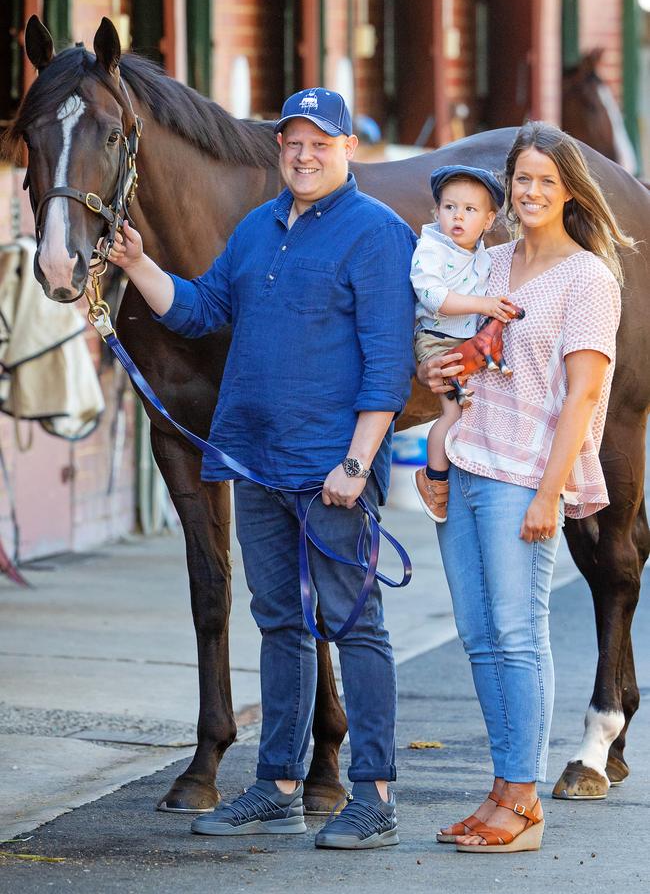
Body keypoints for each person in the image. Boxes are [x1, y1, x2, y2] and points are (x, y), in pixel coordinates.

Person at [107, 87, 416, 850]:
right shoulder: (257, 229)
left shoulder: (377, 233)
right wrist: (142, 267)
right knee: (279, 621)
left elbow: (389, 361)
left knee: (354, 624)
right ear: (279, 148)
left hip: (330, 467)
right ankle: (279, 783)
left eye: (319, 143)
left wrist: (358, 459)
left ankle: (373, 795)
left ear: (347, 149)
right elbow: (200, 308)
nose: (304, 155)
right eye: (292, 142)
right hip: (255, 458)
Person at [424, 122, 633, 853]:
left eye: (546, 179)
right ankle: (504, 786)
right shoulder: (491, 261)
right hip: (470, 463)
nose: (532, 190)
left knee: (518, 635)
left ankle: (526, 804)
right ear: (507, 187)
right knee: (481, 639)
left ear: (570, 189)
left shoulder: (588, 279)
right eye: (522, 178)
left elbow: (582, 399)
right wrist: (438, 391)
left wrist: (552, 494)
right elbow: (464, 356)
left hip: (526, 479)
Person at [410, 165, 514, 523]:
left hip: (465, 340)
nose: (457, 216)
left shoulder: (484, 256)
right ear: (436, 212)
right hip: (438, 341)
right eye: (449, 207)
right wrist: (484, 305)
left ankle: (470, 470)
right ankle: (434, 479)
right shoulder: (431, 250)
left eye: (470, 210)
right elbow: (434, 297)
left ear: (488, 221)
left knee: (479, 405)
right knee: (452, 413)